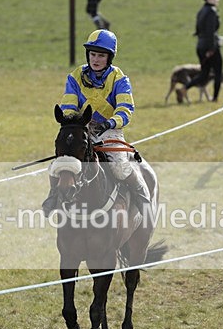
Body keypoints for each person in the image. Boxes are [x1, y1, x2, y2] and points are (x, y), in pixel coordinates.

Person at [42, 29, 151, 223]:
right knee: (59, 163)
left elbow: (126, 110)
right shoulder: (75, 76)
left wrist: (109, 123)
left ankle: (142, 198)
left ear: (109, 57)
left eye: (101, 55)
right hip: (81, 129)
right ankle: (53, 196)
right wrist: (71, 122)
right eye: (93, 54)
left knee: (119, 167)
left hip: (110, 130)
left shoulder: (120, 79)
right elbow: (68, 104)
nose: (96, 59)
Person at [179, 0, 223, 103]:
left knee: (204, 73)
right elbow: (210, 31)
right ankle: (215, 98)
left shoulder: (201, 11)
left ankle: (184, 88)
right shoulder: (212, 11)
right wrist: (212, 48)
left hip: (200, 46)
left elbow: (198, 30)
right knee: (218, 72)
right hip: (210, 47)